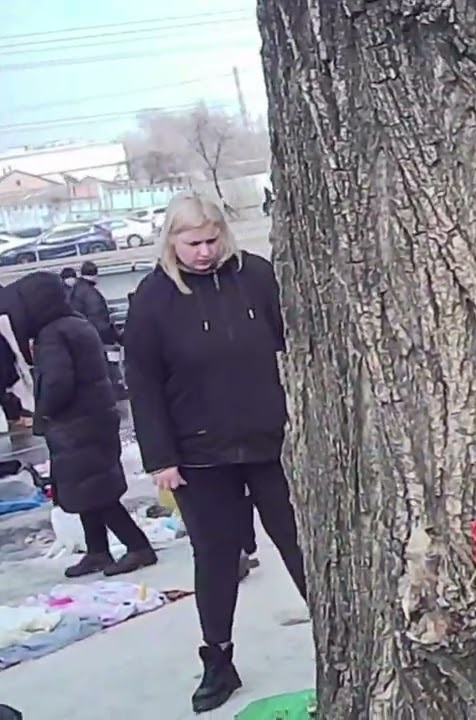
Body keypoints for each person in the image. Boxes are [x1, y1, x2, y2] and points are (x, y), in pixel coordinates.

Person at [124, 191, 306, 714]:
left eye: (211, 240)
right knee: (218, 558)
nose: (204, 252)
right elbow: (143, 381)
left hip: (270, 443)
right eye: (192, 242)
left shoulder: (256, 276)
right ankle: (219, 657)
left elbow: (292, 341)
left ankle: (337, 635)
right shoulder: (153, 298)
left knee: (299, 544)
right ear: (171, 241)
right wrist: (161, 457)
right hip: (198, 454)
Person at [13, 272, 155, 578]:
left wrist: (44, 414)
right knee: (89, 488)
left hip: (76, 424)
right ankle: (97, 551)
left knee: (97, 493)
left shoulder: (52, 334)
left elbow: (58, 382)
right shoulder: (75, 324)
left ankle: (138, 546)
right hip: (93, 418)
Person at [68, 262, 119, 348]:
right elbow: (98, 318)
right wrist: (115, 337)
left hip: (80, 337)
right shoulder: (90, 293)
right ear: (95, 275)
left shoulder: (75, 290)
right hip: (94, 339)